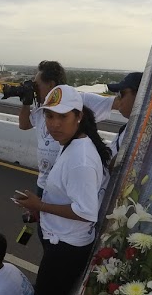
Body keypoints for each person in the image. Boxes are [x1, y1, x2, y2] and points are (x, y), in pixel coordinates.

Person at [14, 85, 111, 295]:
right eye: (49, 116)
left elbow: (86, 212)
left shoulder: (80, 159)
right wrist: (39, 208)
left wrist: (40, 205)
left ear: (78, 116)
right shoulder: (71, 143)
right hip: (60, 240)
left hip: (65, 249)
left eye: (62, 116)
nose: (54, 124)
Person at [17, 60, 116, 197]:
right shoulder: (42, 107)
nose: (55, 124)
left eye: (37, 85)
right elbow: (24, 125)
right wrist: (26, 103)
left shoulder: (78, 100)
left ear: (50, 84)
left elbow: (118, 103)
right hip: (45, 182)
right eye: (49, 116)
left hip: (68, 182)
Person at [105, 72, 143, 160]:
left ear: (140, 95)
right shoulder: (127, 129)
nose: (118, 99)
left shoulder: (141, 137)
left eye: (121, 94)